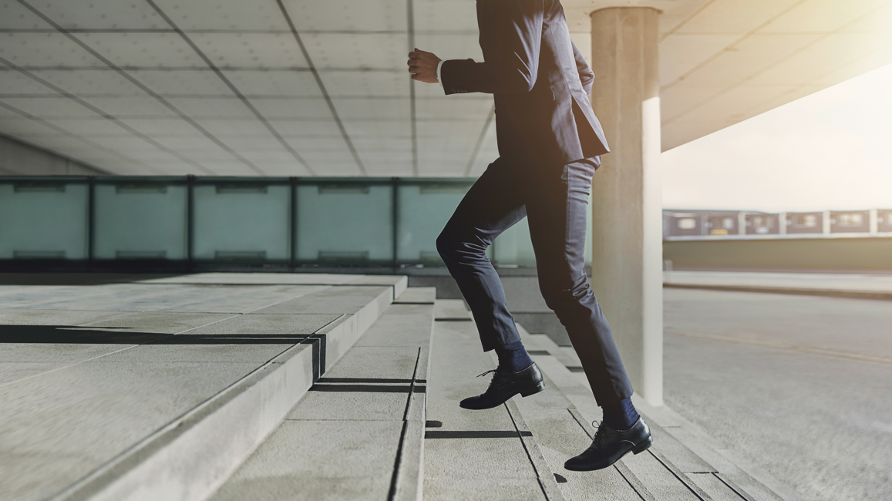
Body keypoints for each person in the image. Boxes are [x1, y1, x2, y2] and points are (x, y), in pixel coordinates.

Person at [406, 0, 652, 471]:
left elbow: (519, 73)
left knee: (565, 287)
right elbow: (581, 71)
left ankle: (624, 421)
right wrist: (558, 117)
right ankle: (515, 363)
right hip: (530, 156)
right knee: (459, 242)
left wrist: (444, 70)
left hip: (557, 155)